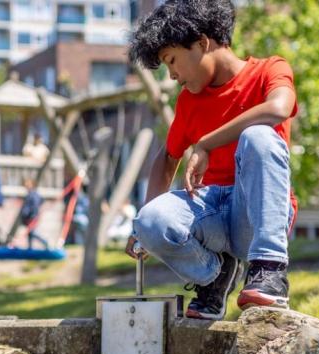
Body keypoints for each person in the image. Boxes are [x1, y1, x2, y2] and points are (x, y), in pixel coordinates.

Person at [125, 0, 298, 320]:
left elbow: (278, 108)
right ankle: (214, 276)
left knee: (257, 136)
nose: (173, 75)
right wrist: (141, 232)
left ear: (203, 43)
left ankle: (270, 270)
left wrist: (206, 143)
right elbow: (167, 157)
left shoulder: (270, 70)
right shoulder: (189, 101)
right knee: (148, 220)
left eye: (172, 60)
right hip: (213, 215)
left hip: (255, 215)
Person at [12, 177, 50, 249]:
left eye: (28, 184)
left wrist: (29, 213)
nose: (26, 186)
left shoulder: (33, 195)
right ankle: (30, 248)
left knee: (32, 232)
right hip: (29, 217)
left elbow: (33, 206)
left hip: (32, 217)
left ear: (32, 185)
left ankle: (44, 241)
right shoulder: (30, 194)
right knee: (30, 234)